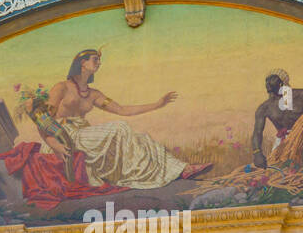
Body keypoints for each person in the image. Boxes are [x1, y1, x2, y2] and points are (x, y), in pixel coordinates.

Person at [39, 49, 212, 187]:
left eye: (99, 60)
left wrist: (157, 104)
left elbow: (123, 110)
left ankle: (182, 169)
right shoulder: (61, 87)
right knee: (120, 128)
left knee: (142, 138)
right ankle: (135, 171)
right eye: (95, 60)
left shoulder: (93, 94)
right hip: (66, 136)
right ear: (82, 63)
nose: (99, 63)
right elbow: (43, 119)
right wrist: (54, 144)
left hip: (84, 134)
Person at [250, 69, 303, 169]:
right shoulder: (265, 108)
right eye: (267, 80)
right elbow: (257, 132)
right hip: (284, 138)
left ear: (281, 83)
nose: (268, 83)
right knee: (277, 168)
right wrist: (257, 153)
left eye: (272, 80)